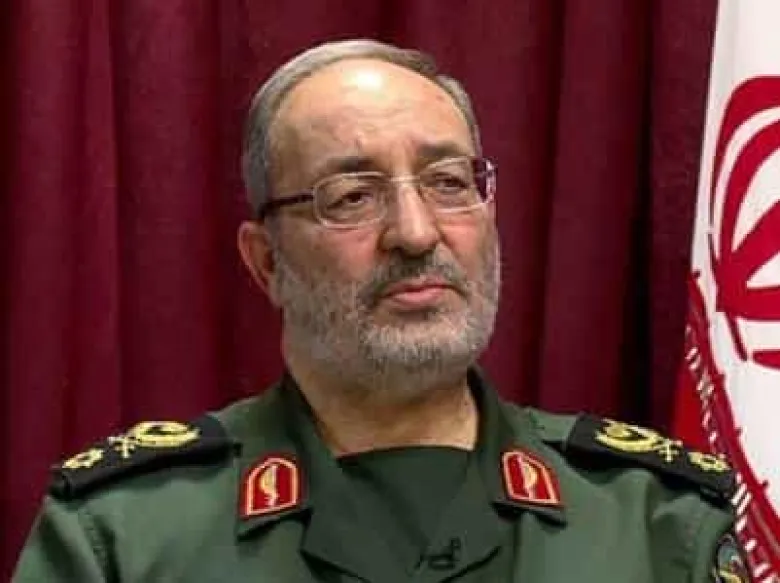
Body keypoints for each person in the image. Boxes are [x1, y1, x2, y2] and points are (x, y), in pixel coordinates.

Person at [12, 39, 750, 582]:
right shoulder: (125, 536)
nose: (417, 233)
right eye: (352, 196)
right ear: (266, 262)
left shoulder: (656, 524)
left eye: (449, 182)